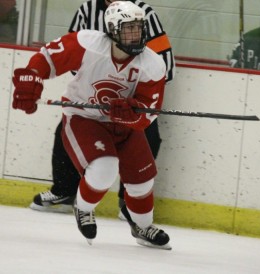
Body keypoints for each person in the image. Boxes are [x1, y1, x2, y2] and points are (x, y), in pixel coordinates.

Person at [12, 1, 171, 250]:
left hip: (125, 126)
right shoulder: (87, 43)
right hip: (85, 117)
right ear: (112, 30)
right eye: (128, 29)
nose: (136, 34)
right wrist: (32, 77)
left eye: (139, 28)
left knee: (142, 183)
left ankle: (143, 227)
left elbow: (147, 115)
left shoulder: (153, 64)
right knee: (104, 167)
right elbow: (47, 58)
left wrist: (131, 113)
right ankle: (84, 209)